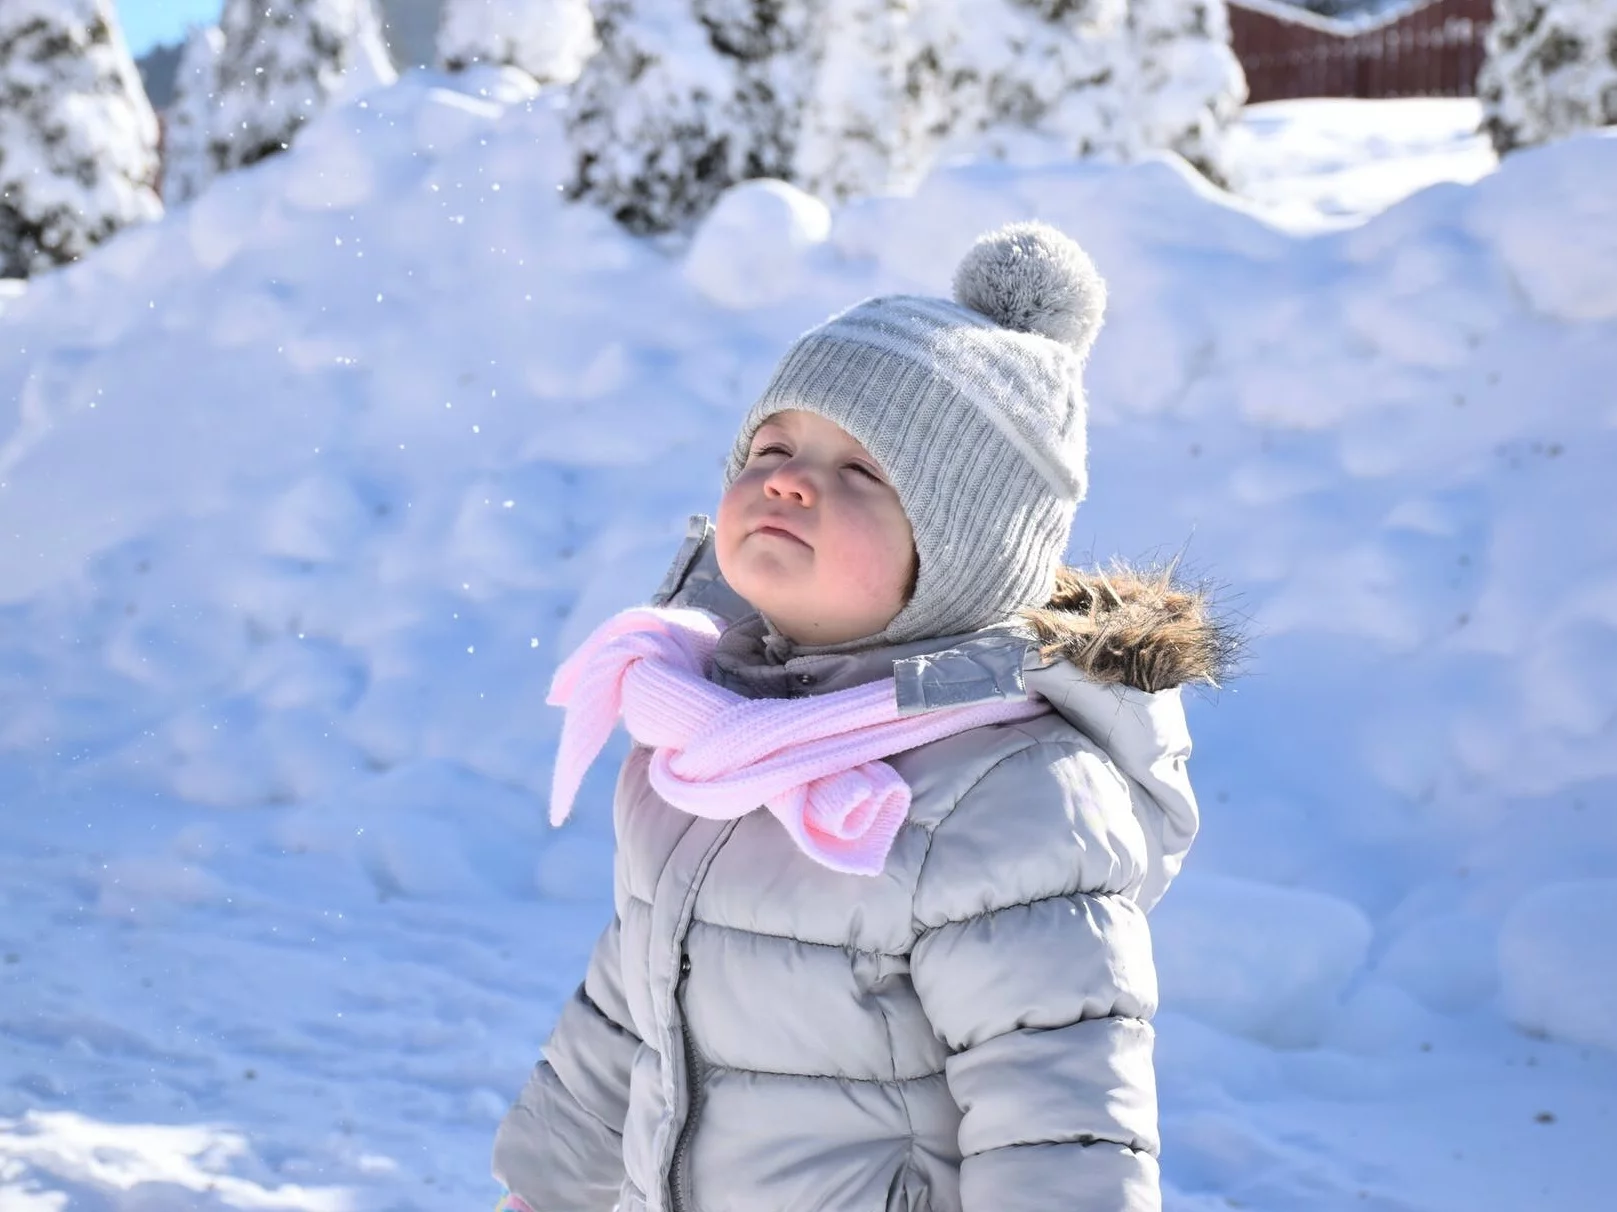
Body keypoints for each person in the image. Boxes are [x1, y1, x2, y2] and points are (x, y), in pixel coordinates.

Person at [493, 220, 1233, 1212]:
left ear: (963, 555)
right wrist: (547, 1192)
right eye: (774, 444)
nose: (789, 478)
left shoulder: (1012, 795)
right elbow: (629, 1010)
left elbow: (1062, 1124)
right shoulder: (703, 735)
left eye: (866, 473)